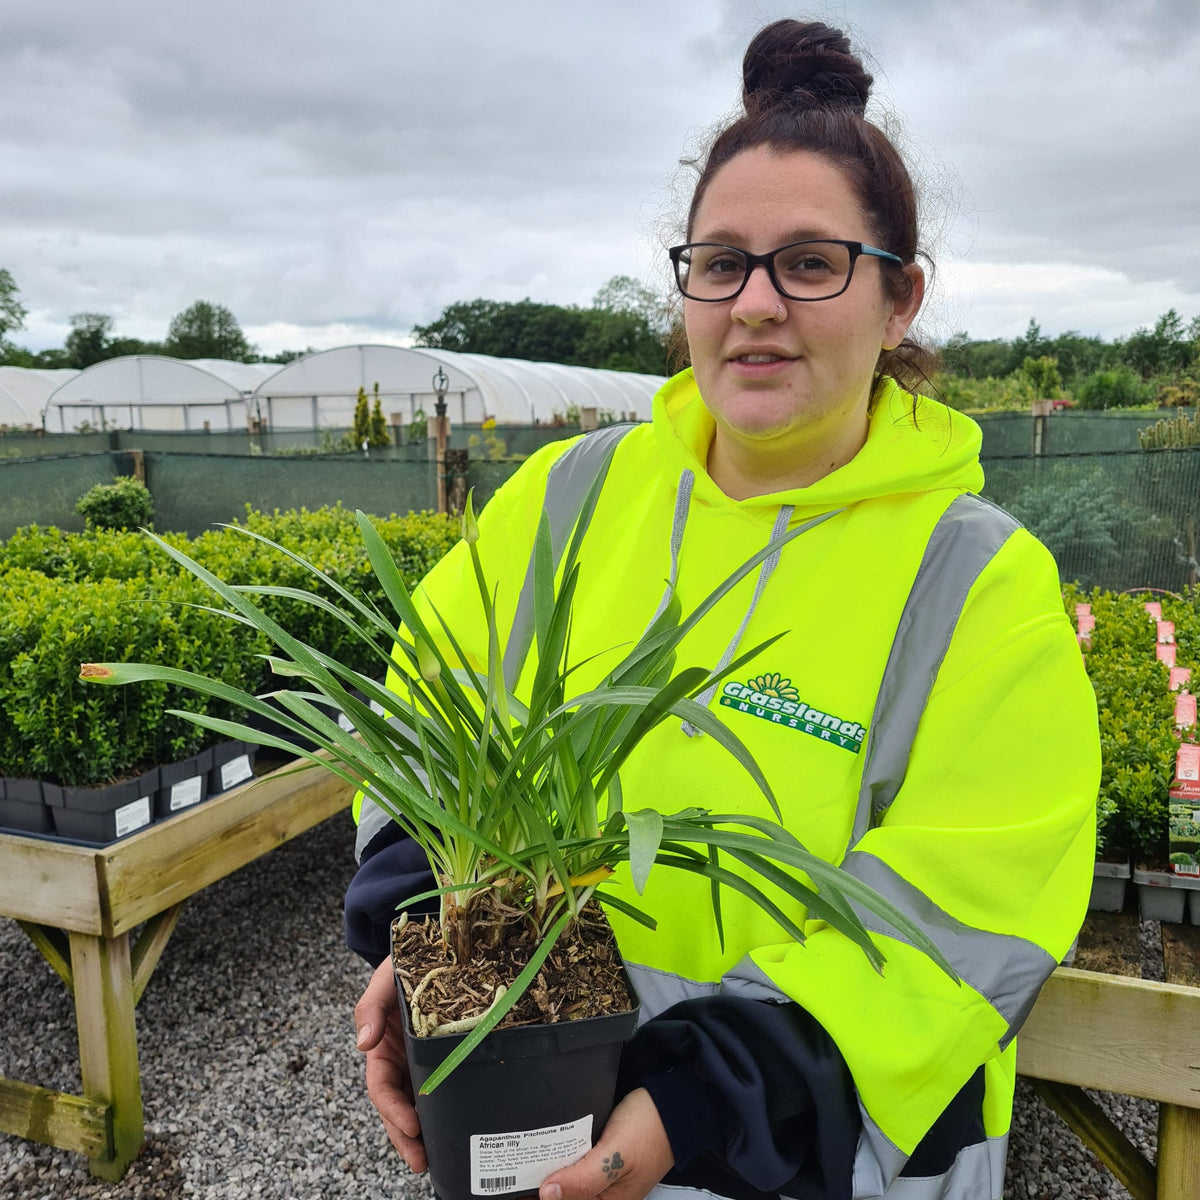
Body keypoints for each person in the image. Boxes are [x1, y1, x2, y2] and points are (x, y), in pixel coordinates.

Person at [347, 19, 1100, 1200]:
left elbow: (972, 915)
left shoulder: (977, 581)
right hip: (536, 1096)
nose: (755, 302)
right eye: (720, 262)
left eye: (811, 262)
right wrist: (427, 935)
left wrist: (696, 1102)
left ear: (900, 301)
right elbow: (421, 721)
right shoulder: (571, 496)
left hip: (821, 1144)